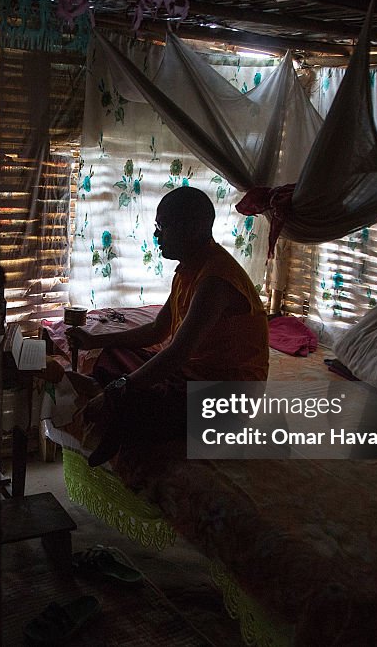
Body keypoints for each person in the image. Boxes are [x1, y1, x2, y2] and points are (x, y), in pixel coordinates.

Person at [67, 186, 269, 466]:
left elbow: (176, 353)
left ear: (193, 228)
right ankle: (115, 402)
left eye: (163, 227)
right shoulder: (188, 269)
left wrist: (119, 388)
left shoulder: (216, 280)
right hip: (189, 377)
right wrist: (95, 340)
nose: (156, 236)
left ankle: (114, 404)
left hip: (227, 397)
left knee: (140, 397)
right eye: (156, 227)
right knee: (113, 353)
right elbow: (157, 331)